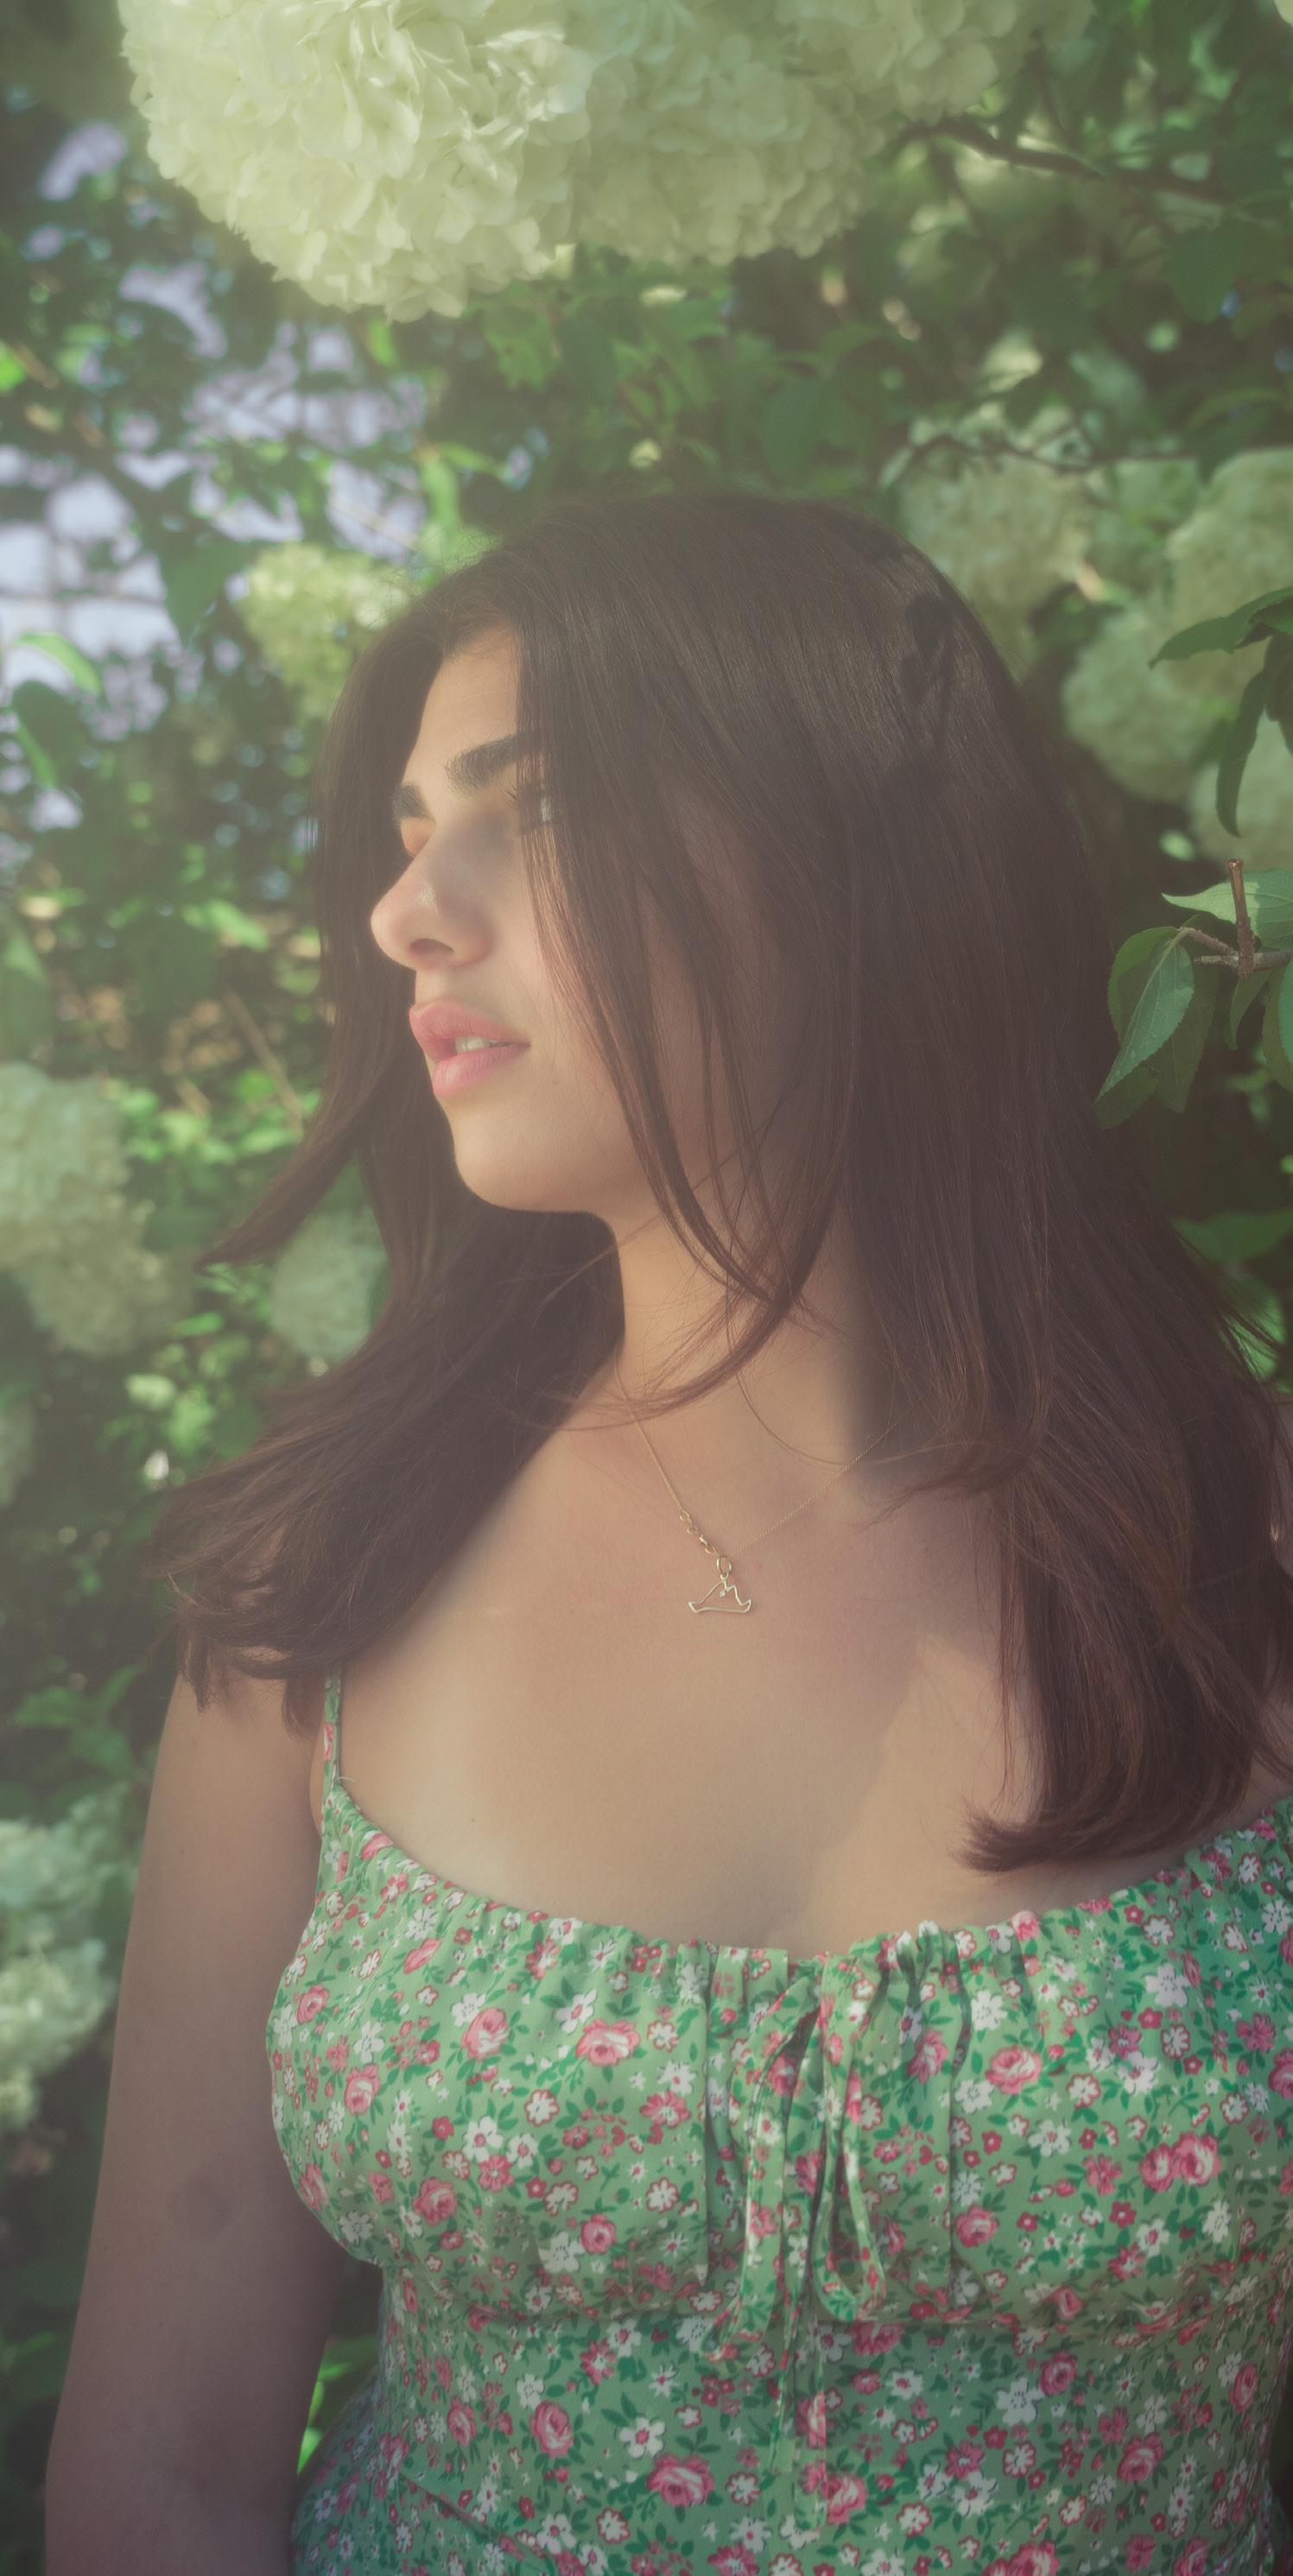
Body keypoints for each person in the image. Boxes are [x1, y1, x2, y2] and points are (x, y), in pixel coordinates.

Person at [46, 491, 1293, 2573]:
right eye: (407, 829)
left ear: (844, 853)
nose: (405, 911)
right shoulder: (328, 1589)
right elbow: (166, 2467)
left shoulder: (1242, 1543)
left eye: (525, 810)